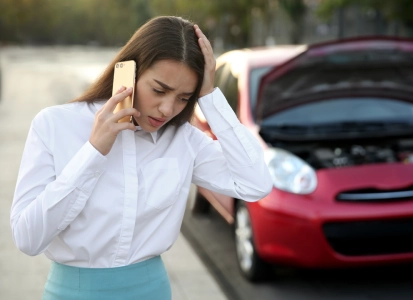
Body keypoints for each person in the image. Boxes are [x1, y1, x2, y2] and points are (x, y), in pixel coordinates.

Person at [10, 16, 273, 299]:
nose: (167, 109)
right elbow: (28, 238)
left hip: (152, 291)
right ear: (128, 72)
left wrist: (209, 95)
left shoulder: (183, 139)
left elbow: (255, 184)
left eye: (184, 98)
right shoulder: (55, 125)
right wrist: (93, 152)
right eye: (159, 90)